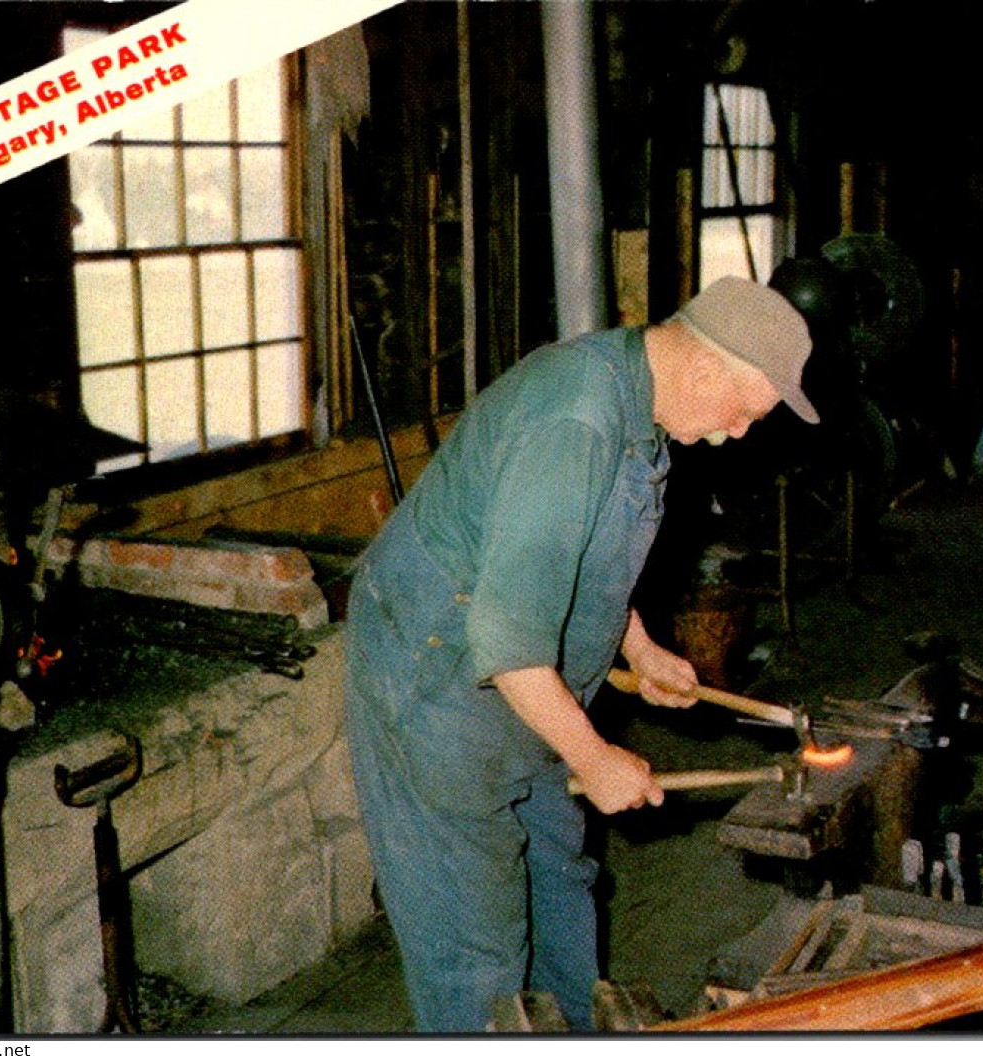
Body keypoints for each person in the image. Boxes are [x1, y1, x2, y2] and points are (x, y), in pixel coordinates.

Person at [343, 276, 818, 1032]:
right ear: (704, 370)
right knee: (478, 936)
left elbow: (577, 550)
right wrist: (593, 756)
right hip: (436, 676)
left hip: (526, 672)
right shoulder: (576, 422)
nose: (737, 433)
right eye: (742, 412)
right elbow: (506, 639)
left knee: (555, 875)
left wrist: (639, 645)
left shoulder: (638, 395)